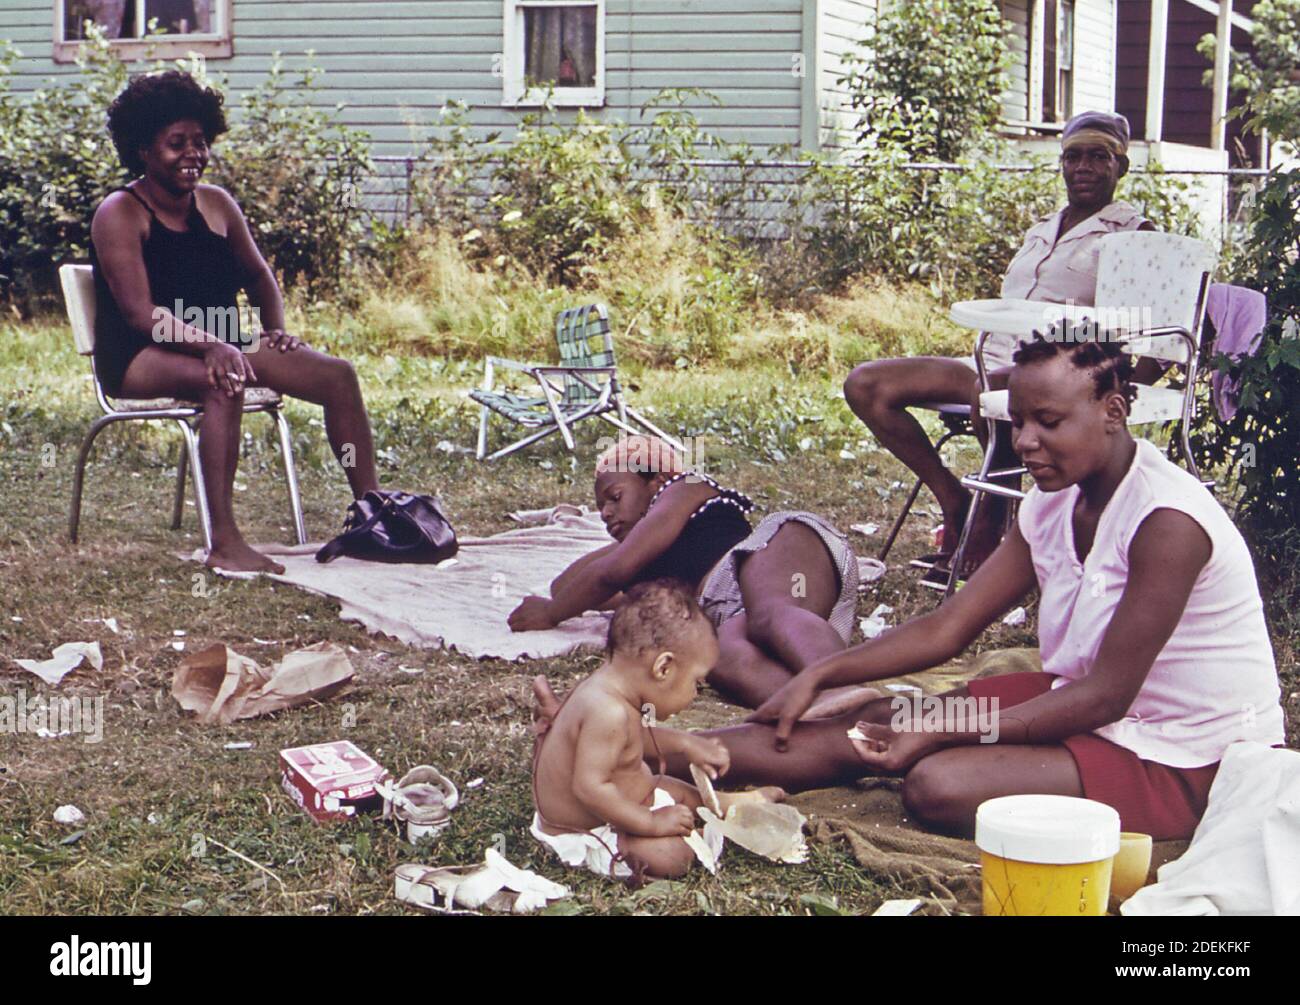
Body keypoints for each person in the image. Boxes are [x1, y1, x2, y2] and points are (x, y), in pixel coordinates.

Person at [670, 333, 1285, 841]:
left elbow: (1106, 698)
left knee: (938, 782)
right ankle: (649, 748)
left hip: (1183, 755)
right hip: (1076, 704)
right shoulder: (1053, 500)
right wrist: (820, 676)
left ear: (1113, 412)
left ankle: (962, 751)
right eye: (1015, 422)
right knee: (875, 720)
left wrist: (943, 729)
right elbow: (949, 626)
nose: (1024, 443)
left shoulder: (1168, 522)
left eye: (1048, 422)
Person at [843, 111, 1158, 576]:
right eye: (1073, 157)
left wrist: (1108, 377)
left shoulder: (1132, 234)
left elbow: (1135, 326)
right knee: (866, 385)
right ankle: (956, 499)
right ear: (1062, 165)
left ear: (1121, 168)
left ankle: (990, 518)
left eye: (1099, 157)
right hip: (990, 359)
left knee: (995, 387)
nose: (1084, 167)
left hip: (1060, 368)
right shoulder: (1044, 228)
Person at [90, 70, 380, 574]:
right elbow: (140, 314)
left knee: (337, 375)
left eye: (199, 142)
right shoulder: (120, 212)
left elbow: (260, 276)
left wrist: (274, 328)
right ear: (141, 149)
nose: (192, 155)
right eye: (175, 143)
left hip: (220, 338)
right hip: (140, 352)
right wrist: (212, 348)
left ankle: (373, 512)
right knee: (224, 380)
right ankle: (225, 540)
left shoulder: (217, 203)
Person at [508, 435, 877, 715]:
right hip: (735, 613)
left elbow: (607, 575)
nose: (605, 513)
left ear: (656, 481)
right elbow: (572, 584)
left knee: (773, 611)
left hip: (776, 558)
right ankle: (840, 718)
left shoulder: (684, 489)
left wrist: (554, 612)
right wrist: (625, 542)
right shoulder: (646, 562)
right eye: (600, 508)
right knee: (722, 659)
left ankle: (845, 686)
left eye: (614, 497)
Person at [530, 579, 782, 879]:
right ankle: (639, 842)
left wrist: (685, 743)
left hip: (620, 806)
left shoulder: (611, 690)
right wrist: (651, 824)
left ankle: (725, 804)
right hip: (586, 830)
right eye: (696, 683)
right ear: (663, 668)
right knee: (673, 857)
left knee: (673, 788)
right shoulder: (606, 710)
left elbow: (631, 740)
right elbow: (590, 789)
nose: (694, 695)